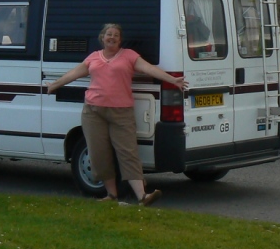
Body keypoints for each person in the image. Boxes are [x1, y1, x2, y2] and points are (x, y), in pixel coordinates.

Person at [46, 23, 188, 205]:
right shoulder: (93, 58)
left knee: (127, 152)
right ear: (102, 38)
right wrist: (55, 85)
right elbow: (74, 73)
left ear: (120, 40)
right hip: (93, 112)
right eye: (108, 34)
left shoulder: (129, 56)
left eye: (115, 35)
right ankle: (111, 195)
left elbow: (149, 69)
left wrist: (172, 79)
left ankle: (142, 196)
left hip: (121, 112)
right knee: (99, 153)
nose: (111, 37)